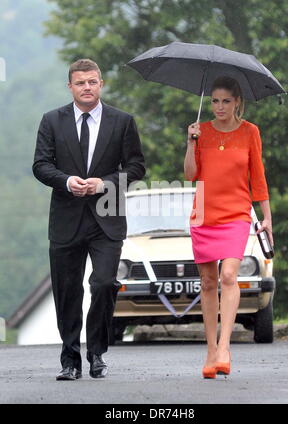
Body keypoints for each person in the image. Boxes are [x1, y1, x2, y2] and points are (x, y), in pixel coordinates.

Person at [33, 58, 145, 380]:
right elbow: (41, 165)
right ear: (70, 86)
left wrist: (104, 183)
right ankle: (70, 360)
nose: (87, 87)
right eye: (80, 82)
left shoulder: (122, 121)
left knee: (104, 283)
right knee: (68, 290)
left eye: (92, 82)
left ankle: (97, 352)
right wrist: (67, 181)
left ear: (101, 84)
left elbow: (136, 167)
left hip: (107, 218)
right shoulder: (52, 121)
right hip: (66, 219)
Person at [184, 76, 273, 379]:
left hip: (236, 213)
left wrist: (267, 217)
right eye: (214, 101)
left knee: (229, 275)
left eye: (225, 101)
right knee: (208, 283)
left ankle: (224, 347)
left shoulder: (250, 132)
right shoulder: (202, 131)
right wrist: (190, 142)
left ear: (237, 102)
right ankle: (210, 351)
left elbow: (257, 177)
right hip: (203, 214)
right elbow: (190, 174)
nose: (219, 107)